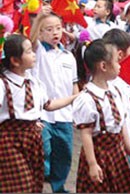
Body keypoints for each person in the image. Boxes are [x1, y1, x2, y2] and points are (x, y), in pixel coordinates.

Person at [0, 34, 78, 193]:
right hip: (9, 140)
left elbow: (48, 105)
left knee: (35, 183)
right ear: (15, 60)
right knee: (20, 184)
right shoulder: (3, 83)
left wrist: (75, 97)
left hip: (33, 140)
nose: (34, 54)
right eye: (29, 51)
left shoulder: (34, 81)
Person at [72, 39, 130, 193]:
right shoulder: (87, 99)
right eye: (117, 62)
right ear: (103, 66)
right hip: (99, 153)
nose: (120, 65)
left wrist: (129, 148)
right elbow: (86, 134)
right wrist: (92, 164)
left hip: (117, 152)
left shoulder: (116, 90)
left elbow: (122, 121)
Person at [29, 8, 79, 193]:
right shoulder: (38, 52)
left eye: (58, 28)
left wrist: (77, 110)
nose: (55, 32)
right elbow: (32, 39)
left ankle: (59, 187)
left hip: (64, 114)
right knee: (44, 149)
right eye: (48, 29)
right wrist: (40, 18)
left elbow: (74, 86)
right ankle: (40, 178)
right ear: (41, 32)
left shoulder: (68, 56)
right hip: (42, 113)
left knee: (65, 153)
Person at [102, 29, 130, 171]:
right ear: (120, 55)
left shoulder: (125, 79)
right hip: (115, 142)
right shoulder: (108, 81)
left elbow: (125, 105)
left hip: (128, 138)